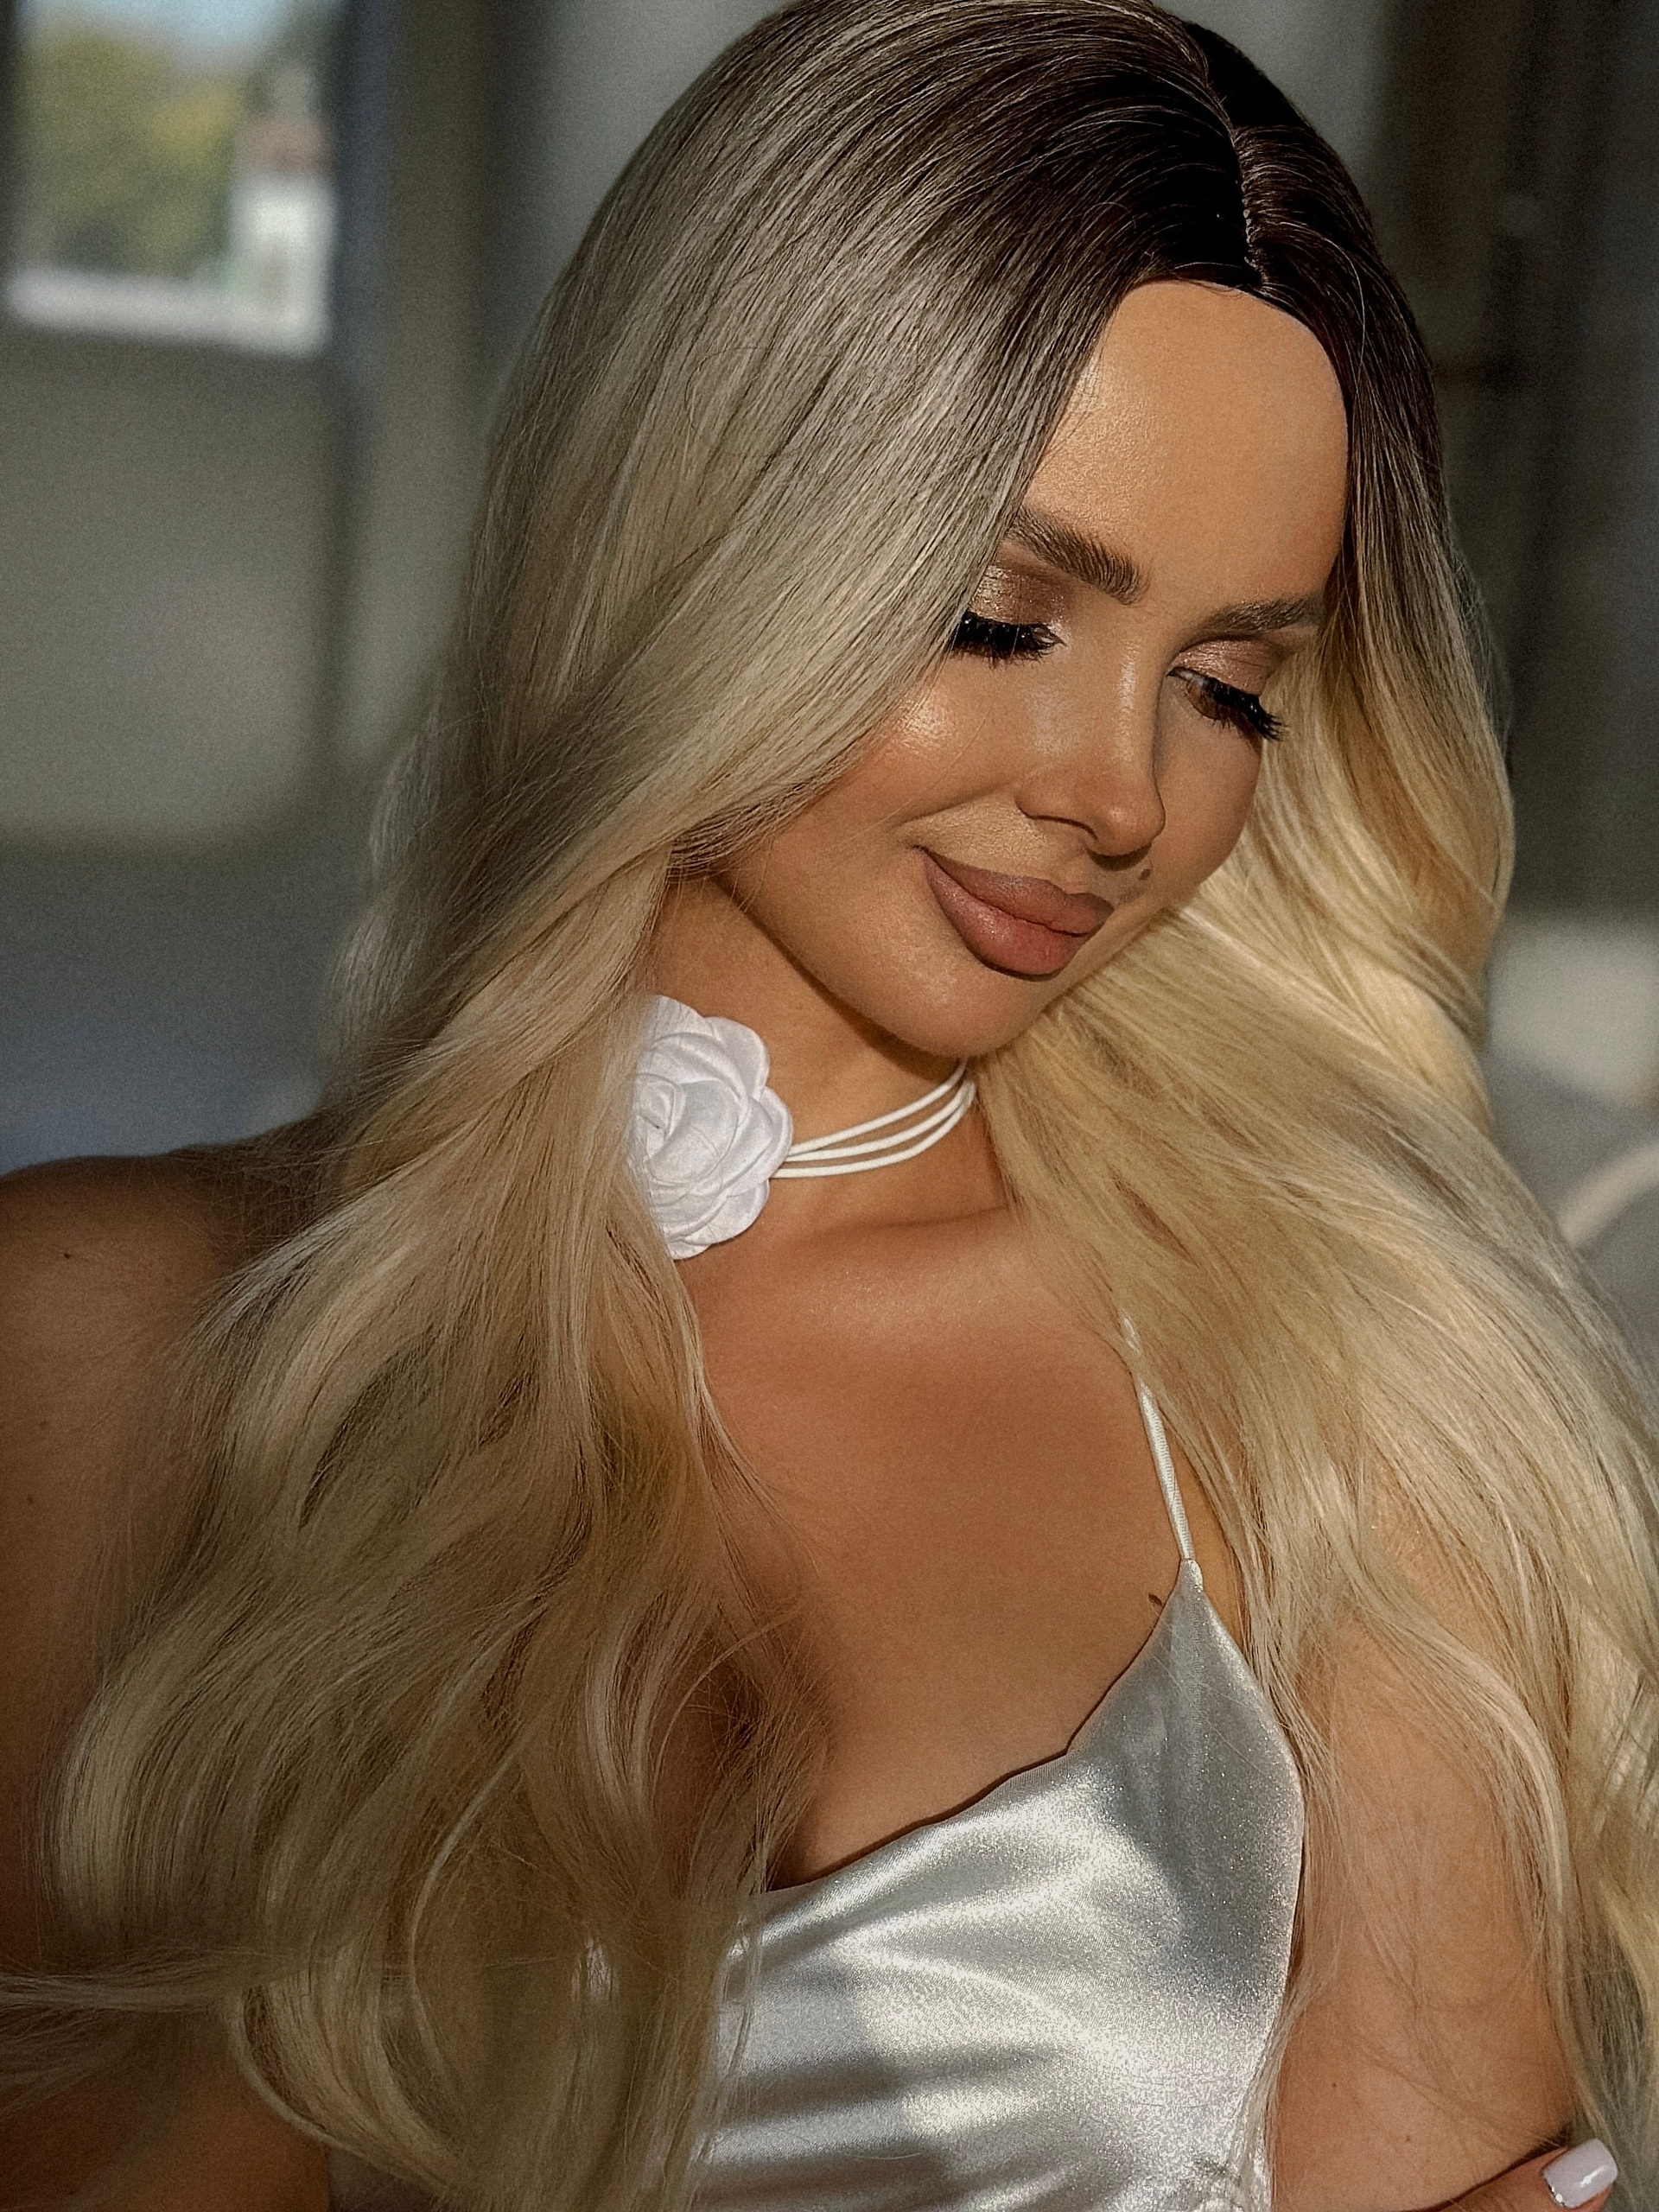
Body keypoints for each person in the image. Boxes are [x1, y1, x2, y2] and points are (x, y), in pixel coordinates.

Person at [2, 4, 1656, 2208]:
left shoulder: (1345, 1386)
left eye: (1229, 684)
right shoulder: (97, 1327)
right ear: (703, 527)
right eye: (1000, 619)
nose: (1119, 790)